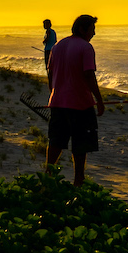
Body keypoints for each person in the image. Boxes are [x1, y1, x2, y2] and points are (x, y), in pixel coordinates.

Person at [45, 14, 104, 187]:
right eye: (92, 29)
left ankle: (48, 175)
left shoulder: (58, 46)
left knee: (56, 140)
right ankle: (79, 179)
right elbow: (88, 74)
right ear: (82, 29)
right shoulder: (86, 47)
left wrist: (54, 92)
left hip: (57, 102)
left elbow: (50, 73)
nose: (94, 33)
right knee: (81, 143)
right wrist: (99, 100)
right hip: (80, 104)